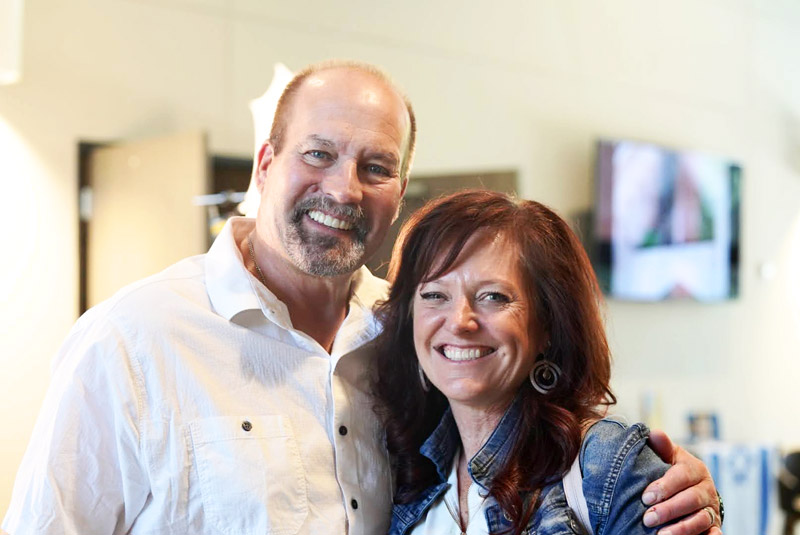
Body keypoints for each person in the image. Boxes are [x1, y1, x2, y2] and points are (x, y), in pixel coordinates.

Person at [2, 61, 719, 535]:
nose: (344, 189)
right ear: (267, 162)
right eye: (318, 152)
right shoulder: (133, 341)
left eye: (375, 166)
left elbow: (527, 438)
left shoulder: (409, 338)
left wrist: (656, 481)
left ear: (399, 193)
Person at [372, 189, 723, 534]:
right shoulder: (405, 474)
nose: (460, 321)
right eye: (435, 295)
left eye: (493, 297)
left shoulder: (605, 466)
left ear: (548, 326)